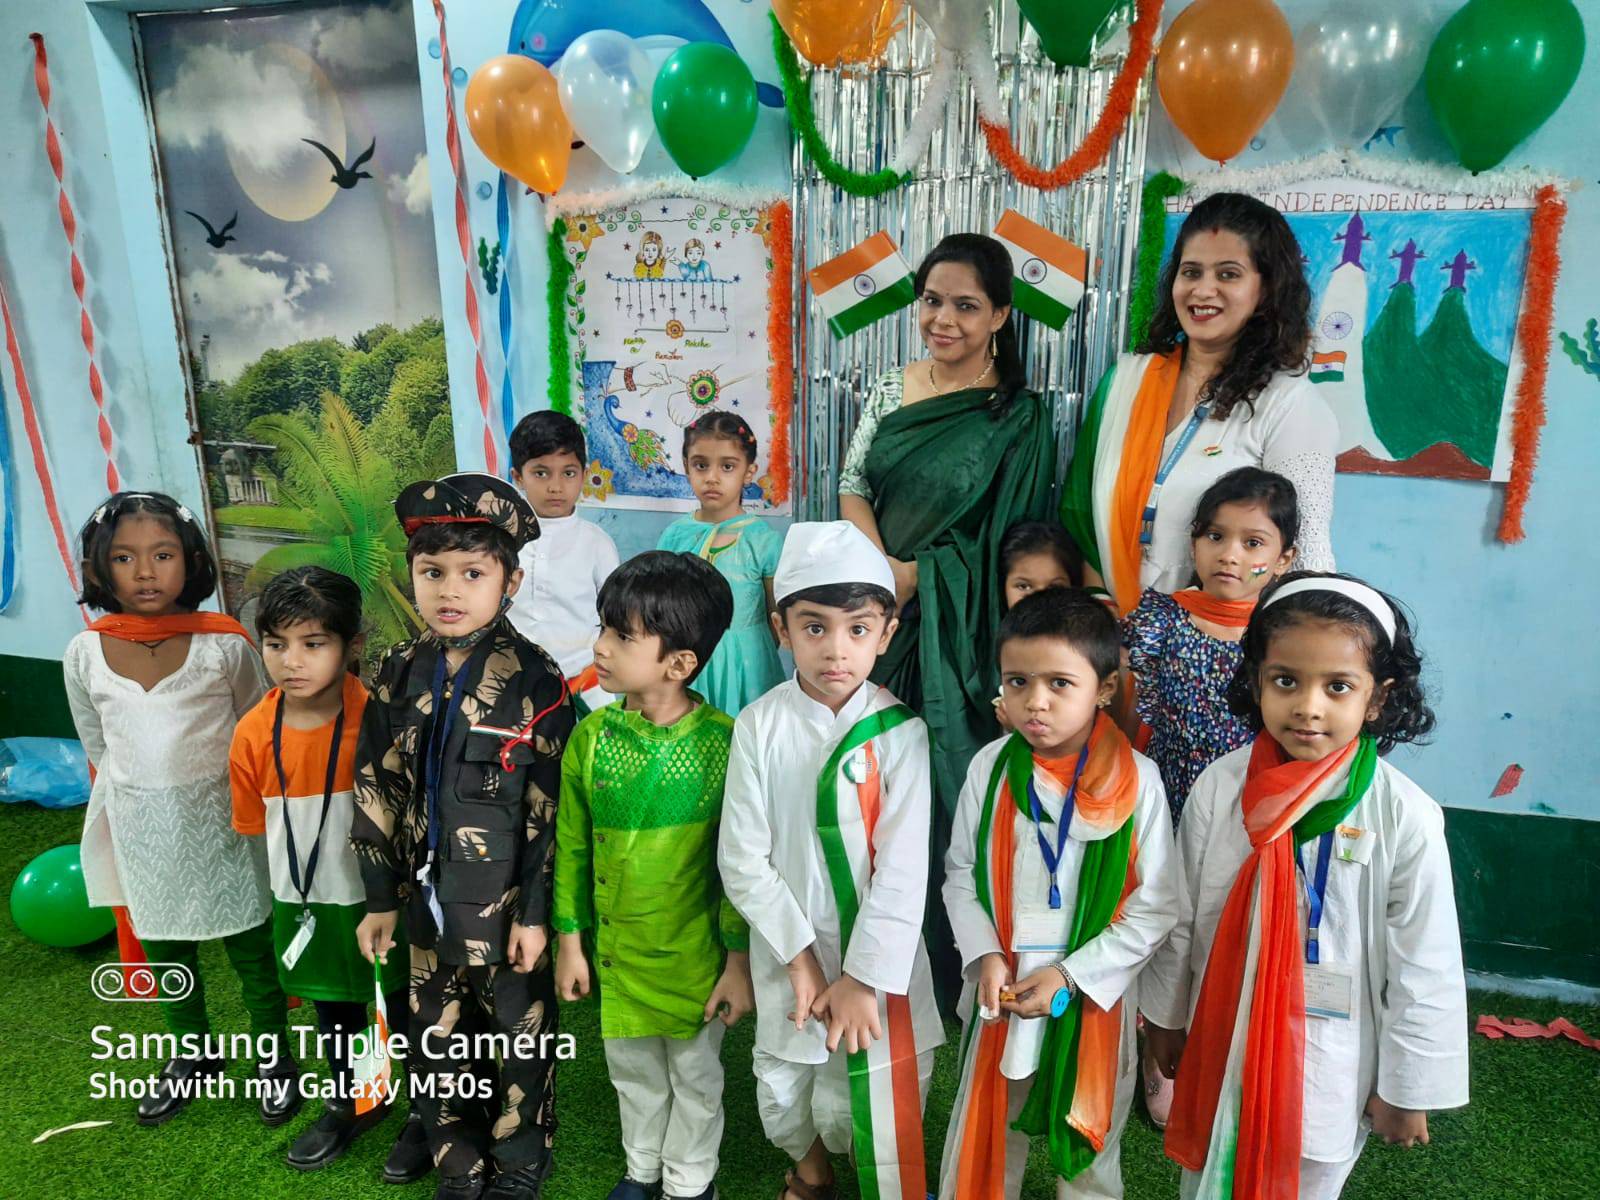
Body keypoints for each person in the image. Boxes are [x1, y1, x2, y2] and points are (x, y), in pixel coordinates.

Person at [1141, 573, 1468, 1200]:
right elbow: (1181, 913)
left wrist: (1407, 1088)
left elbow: (1425, 961)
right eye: (1285, 680)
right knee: (1207, 1175)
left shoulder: (1402, 814)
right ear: (1256, 679)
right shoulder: (1222, 785)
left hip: (1330, 1062)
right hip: (1224, 1031)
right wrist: (1166, 1015)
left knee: (1309, 1181)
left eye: (1337, 686)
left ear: (1378, 699)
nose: (1308, 706)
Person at [837, 233, 1057, 999]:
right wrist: (882, 578)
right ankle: (870, 959)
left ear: (1000, 314)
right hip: (877, 620)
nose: (945, 319)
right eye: (933, 301)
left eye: (967, 305)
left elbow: (1015, 543)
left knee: (948, 793)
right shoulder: (889, 389)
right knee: (872, 789)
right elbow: (852, 482)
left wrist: (923, 576)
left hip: (959, 634)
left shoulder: (1019, 418)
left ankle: (953, 968)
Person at [352, 473, 577, 1200]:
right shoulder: (395, 671)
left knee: (517, 1038)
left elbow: (552, 815)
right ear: (413, 576)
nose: (450, 590)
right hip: (425, 906)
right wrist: (380, 897)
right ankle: (456, 1156)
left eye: (473, 573)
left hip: (506, 906)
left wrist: (538, 917)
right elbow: (377, 787)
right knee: (437, 1037)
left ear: (508, 580)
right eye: (433, 572)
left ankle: (520, 1159)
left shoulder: (537, 681)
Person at [718, 522, 943, 1200]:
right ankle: (810, 1176)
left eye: (857, 629)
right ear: (780, 629)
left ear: (887, 631)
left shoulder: (902, 733)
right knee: (785, 1089)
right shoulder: (759, 724)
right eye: (814, 628)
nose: (836, 651)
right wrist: (801, 958)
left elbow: (904, 871)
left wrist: (862, 978)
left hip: (878, 962)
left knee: (878, 1088)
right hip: (792, 953)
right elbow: (742, 859)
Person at [62, 491, 294, 1127]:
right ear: (98, 569)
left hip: (224, 820)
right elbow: (97, 742)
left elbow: (256, 724)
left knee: (250, 944)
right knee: (168, 953)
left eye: (162, 555)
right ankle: (192, 1054)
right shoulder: (85, 653)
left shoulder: (223, 645)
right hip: (142, 828)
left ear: (189, 560)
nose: (145, 572)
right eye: (124, 558)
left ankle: (274, 1054)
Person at [940, 589, 1176, 1199]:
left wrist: (1071, 977)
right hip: (1004, 987)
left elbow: (1155, 906)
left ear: (1102, 688)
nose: (1034, 702)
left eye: (1059, 684)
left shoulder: (1138, 782)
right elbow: (961, 873)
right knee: (991, 1133)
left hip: (1092, 1000)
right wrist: (985, 956)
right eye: (1017, 681)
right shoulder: (990, 769)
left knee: (1091, 1149)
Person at [553, 551, 752, 1200]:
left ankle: (690, 1184)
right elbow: (572, 849)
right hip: (618, 959)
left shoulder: (725, 746)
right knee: (633, 1073)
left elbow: (737, 869)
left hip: (694, 961)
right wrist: (571, 942)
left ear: (680, 664)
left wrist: (737, 964)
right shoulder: (592, 739)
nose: (600, 647)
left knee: (695, 1078)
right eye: (602, 629)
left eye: (621, 636)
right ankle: (642, 1173)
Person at [1062, 192, 1337, 616]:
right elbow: (1083, 518)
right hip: (1110, 645)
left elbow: (1303, 560)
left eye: (1228, 274)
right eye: (1191, 272)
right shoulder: (1126, 383)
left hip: (1220, 658)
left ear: (1266, 291)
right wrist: (1103, 620)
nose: (1203, 290)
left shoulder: (1291, 406)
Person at [229, 565, 417, 1170]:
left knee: (403, 1002)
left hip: (382, 898)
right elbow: (257, 827)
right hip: (306, 898)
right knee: (333, 1007)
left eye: (314, 644)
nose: (292, 661)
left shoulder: (383, 718)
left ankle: (422, 1109)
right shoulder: (253, 730)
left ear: (352, 645)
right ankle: (348, 1102)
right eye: (277, 644)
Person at [1123, 467, 1300, 820]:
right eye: (1216, 536)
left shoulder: (1282, 636)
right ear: (1194, 543)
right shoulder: (1162, 619)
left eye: (1253, 543)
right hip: (1163, 793)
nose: (1229, 555)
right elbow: (1132, 713)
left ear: (1283, 559)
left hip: (1244, 801)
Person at [656, 411, 784, 716]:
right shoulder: (674, 536)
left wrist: (744, 652)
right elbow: (661, 607)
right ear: (686, 467)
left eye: (727, 466)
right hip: (689, 661)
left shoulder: (762, 539)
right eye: (701, 465)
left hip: (749, 664)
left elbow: (775, 615)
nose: (712, 477)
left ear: (749, 472)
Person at [506, 409, 620, 710]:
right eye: (541, 473)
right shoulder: (500, 544)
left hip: (586, 686)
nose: (555, 486)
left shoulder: (597, 544)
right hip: (511, 686)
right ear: (517, 477)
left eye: (568, 473)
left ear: (583, 474)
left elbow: (618, 620)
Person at [992, 520, 1081, 734]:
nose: (1039, 599)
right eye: (1023, 586)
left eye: (1054, 587)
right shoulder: (997, 639)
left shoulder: (1082, 646)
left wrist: (1020, 725)